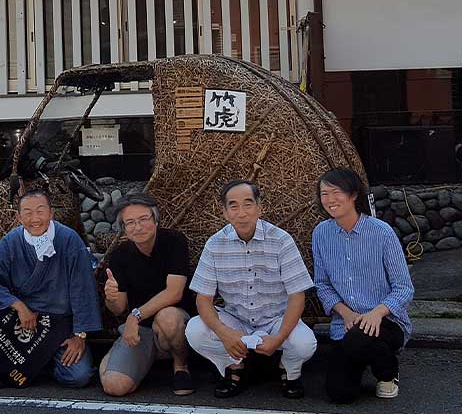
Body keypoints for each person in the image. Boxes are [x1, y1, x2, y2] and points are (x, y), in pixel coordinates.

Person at [185, 180, 317, 399]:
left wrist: (279, 337)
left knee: (305, 343)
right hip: (236, 318)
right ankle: (235, 366)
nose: (241, 213)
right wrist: (224, 333)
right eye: (233, 206)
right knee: (194, 330)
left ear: (259, 207)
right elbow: (203, 299)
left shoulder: (281, 241)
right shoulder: (215, 244)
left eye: (248, 204)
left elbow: (297, 295)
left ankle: (289, 371)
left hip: (276, 318)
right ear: (225, 212)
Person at [0, 189, 101, 389]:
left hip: (57, 323)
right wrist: (19, 306)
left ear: (51, 213)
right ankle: (14, 366)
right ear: (19, 217)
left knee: (78, 377)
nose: (35, 219)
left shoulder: (69, 240)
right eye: (28, 213)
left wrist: (80, 335)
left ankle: (37, 366)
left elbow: (84, 290)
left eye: (40, 211)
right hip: (22, 320)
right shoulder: (12, 241)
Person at [311, 168, 414, 402]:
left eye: (336, 192)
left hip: (386, 321)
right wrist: (346, 314)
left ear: (354, 194)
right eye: (324, 193)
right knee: (340, 394)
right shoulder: (321, 234)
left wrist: (377, 313)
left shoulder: (382, 233)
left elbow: (404, 287)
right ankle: (363, 358)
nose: (329, 199)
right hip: (346, 325)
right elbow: (322, 284)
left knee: (361, 337)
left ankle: (388, 373)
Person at [99, 194, 196, 397]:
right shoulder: (119, 255)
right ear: (124, 228)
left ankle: (180, 366)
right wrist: (111, 296)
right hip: (141, 331)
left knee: (168, 317)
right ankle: (129, 358)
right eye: (130, 222)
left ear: (156, 220)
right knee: (114, 386)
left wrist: (135, 315)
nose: (138, 227)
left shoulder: (174, 241)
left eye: (144, 219)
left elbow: (174, 292)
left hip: (174, 326)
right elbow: (118, 308)